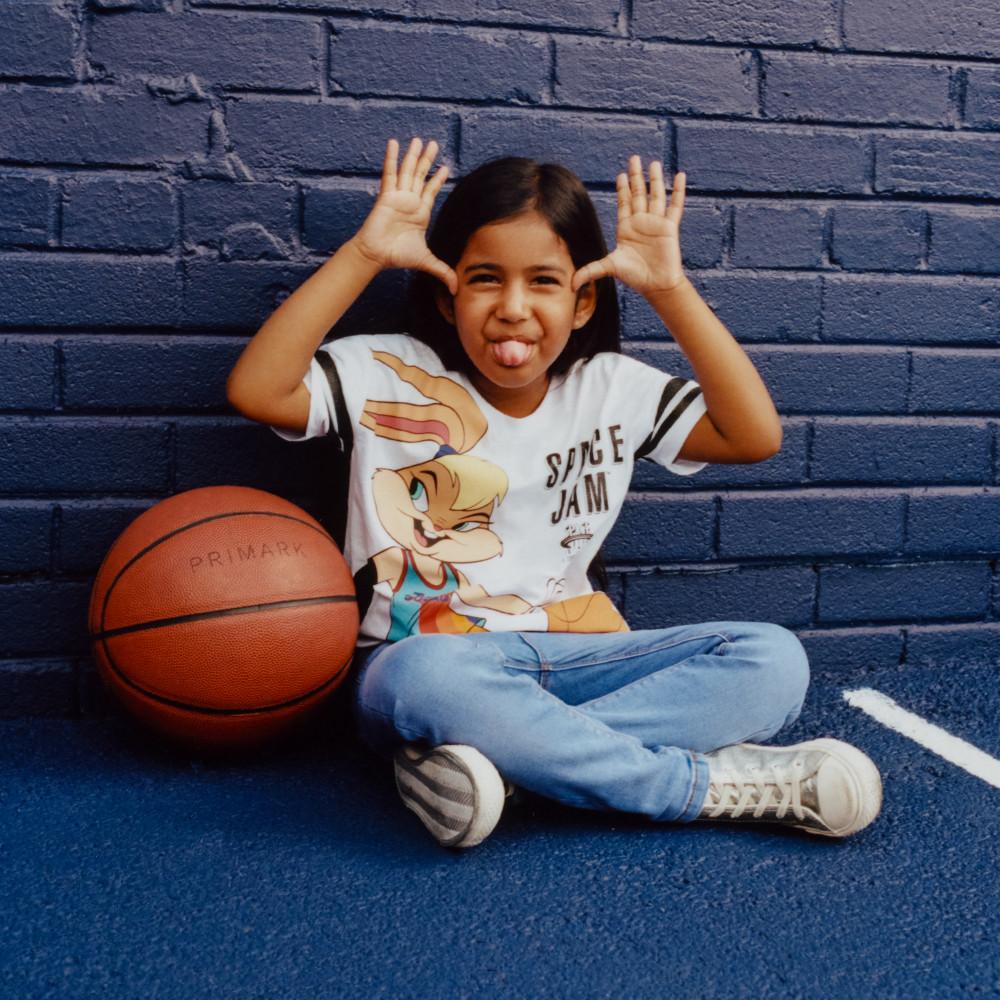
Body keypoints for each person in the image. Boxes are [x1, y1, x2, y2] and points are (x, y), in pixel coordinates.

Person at [227, 137, 883, 849]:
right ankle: (691, 787)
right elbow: (257, 389)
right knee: (428, 679)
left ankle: (503, 765)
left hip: (577, 659)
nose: (513, 307)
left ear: (582, 301)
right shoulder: (389, 370)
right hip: (430, 665)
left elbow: (754, 436)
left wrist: (668, 287)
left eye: (543, 280)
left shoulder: (609, 388)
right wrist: (366, 253)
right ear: (449, 299)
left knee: (773, 662)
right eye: (484, 279)